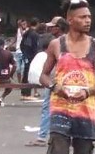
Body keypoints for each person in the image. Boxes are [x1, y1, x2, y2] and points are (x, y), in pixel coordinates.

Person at [39, 0, 95, 154]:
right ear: (70, 20)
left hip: (86, 112)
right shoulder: (56, 44)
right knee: (58, 150)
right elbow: (43, 76)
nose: (88, 21)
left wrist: (88, 92)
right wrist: (55, 87)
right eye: (82, 17)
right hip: (60, 110)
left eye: (89, 17)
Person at [27, 17, 67, 148]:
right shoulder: (68, 41)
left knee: (49, 109)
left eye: (52, 26)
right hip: (58, 80)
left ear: (58, 27)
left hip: (57, 81)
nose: (50, 28)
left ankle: (43, 137)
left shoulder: (57, 43)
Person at [19, 17, 41, 101]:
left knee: (26, 73)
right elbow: (35, 47)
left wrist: (25, 53)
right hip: (32, 56)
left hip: (26, 55)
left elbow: (22, 44)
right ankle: (27, 93)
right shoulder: (34, 34)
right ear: (37, 24)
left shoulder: (27, 33)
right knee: (29, 74)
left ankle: (24, 92)